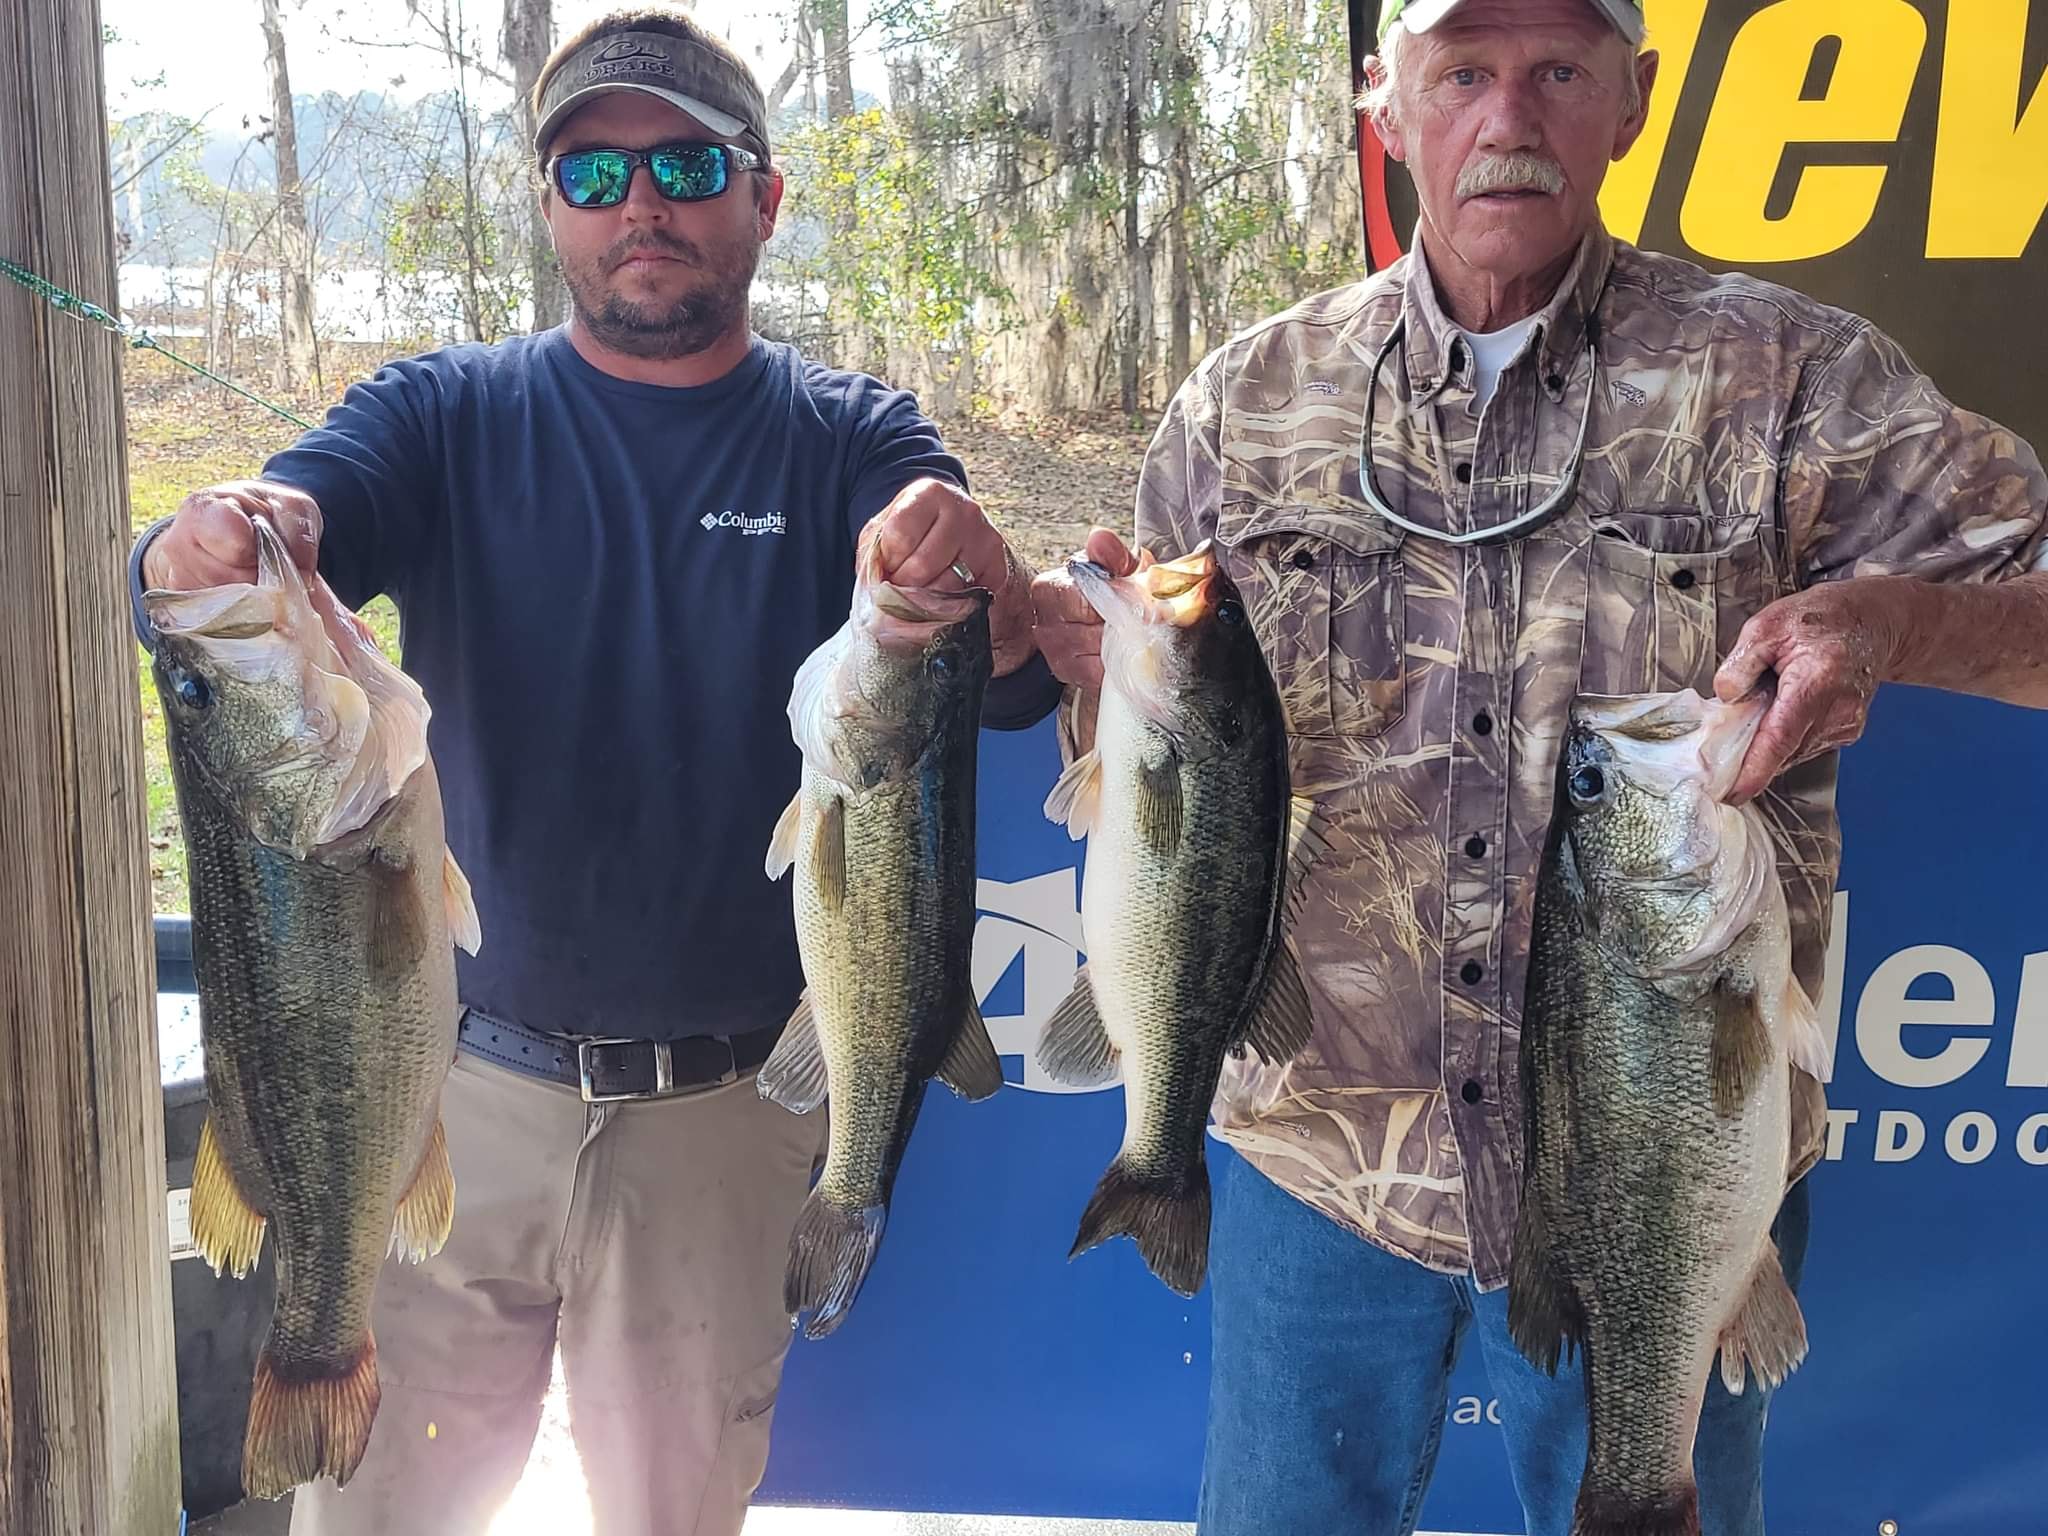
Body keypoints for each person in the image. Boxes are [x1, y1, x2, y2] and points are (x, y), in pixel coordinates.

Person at [1028, 1, 2048, 1532]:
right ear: (1389, 108)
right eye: (1463, 72)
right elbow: (1155, 769)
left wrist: (1888, 621)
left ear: (1631, 102)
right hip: (1323, 1162)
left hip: (1667, 1170)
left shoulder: (1793, 381)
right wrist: (1059, 651)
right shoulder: (1245, 406)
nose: (1509, 116)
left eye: (1560, 70)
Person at [130, 8, 1057, 1533]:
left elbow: (1000, 691)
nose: (644, 202)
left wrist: (971, 578)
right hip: (444, 1093)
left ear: (763, 198)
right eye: (594, 169)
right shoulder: (440, 417)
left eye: (689, 163)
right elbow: (276, 534)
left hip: (724, 1122)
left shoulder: (850, 439)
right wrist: (220, 541)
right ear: (549, 206)